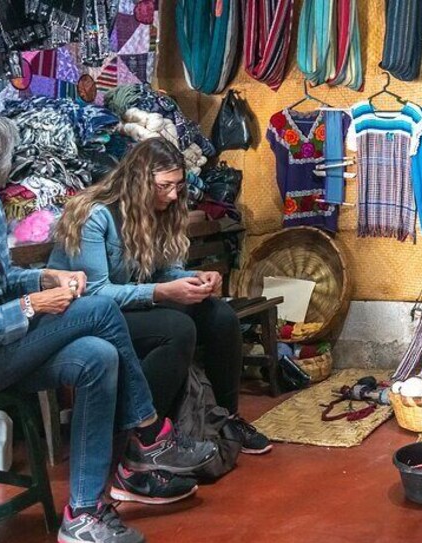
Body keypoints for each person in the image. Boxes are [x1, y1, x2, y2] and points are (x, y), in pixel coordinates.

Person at [0, 116, 217, 543]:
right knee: (99, 309)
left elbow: (0, 281)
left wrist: (43, 276)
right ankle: (151, 433)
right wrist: (33, 306)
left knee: (97, 356)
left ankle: (83, 511)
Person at [49, 138, 271, 454]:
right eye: (163, 186)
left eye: (178, 186)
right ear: (139, 181)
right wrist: (162, 292)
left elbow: (162, 271)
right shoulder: (95, 215)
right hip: (85, 314)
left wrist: (195, 279)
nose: (172, 194)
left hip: (126, 304)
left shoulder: (158, 211)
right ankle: (143, 436)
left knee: (220, 316)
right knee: (176, 329)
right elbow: (96, 293)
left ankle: (226, 418)